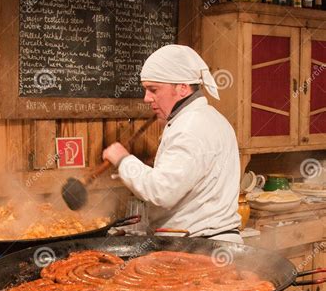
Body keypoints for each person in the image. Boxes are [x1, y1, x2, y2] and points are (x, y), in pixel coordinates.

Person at [102, 44, 242, 243]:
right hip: (208, 242)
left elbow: (162, 192)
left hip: (199, 246)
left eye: (153, 90)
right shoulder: (208, 118)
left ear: (182, 88)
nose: (146, 98)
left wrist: (123, 159)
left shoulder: (190, 127)